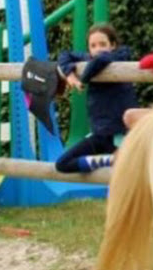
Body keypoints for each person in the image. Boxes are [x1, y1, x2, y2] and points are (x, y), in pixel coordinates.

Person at [55, 23, 138, 173]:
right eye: (93, 45)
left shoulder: (119, 56)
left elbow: (101, 60)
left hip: (119, 135)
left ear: (113, 45)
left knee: (125, 177)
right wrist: (70, 74)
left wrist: (83, 80)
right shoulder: (88, 58)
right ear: (89, 49)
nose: (98, 49)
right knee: (62, 164)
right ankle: (108, 160)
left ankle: (116, 161)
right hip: (99, 133)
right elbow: (64, 55)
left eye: (103, 44)